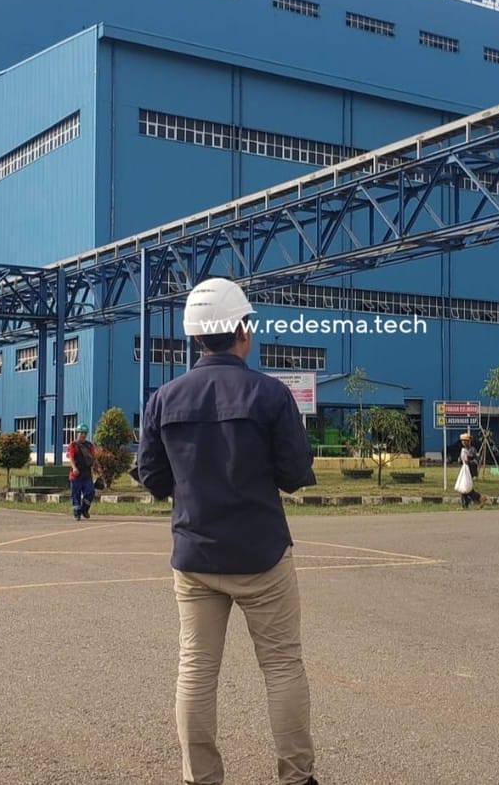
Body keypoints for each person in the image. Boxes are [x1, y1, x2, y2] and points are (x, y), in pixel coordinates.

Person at [137, 277, 319, 785]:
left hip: (195, 557)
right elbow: (294, 473)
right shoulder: (271, 394)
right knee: (282, 666)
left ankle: (201, 778)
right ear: (241, 330)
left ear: (195, 336)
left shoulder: (164, 398)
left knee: (196, 670)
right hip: (263, 555)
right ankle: (297, 776)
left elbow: (151, 476)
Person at [66, 422, 95, 521]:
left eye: (84, 433)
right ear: (77, 433)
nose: (83, 435)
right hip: (76, 476)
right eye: (81, 433)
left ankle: (84, 509)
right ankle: (77, 513)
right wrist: (74, 468)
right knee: (76, 495)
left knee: (90, 492)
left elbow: (92, 459)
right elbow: (71, 457)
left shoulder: (89, 446)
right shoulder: (73, 445)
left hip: (87, 475)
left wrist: (96, 471)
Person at [457, 432, 488, 508]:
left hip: (470, 470)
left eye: (466, 441)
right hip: (465, 470)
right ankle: (477, 500)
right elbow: (460, 460)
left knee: (466, 488)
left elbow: (477, 460)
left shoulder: (473, 450)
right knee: (464, 487)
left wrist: (470, 462)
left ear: (469, 441)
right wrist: (460, 460)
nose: (464, 442)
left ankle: (479, 498)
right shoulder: (463, 450)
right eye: (463, 441)